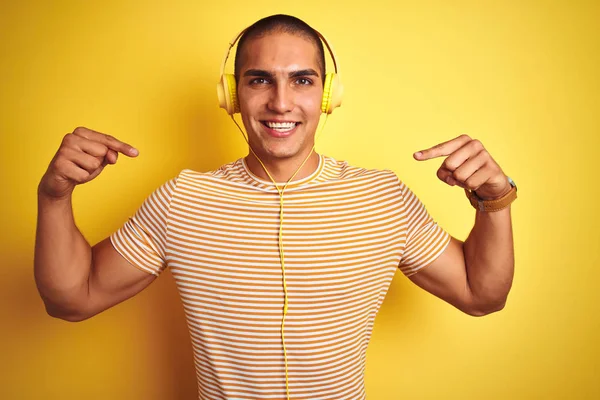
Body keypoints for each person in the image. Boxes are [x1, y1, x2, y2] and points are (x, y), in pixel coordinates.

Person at [34, 14, 516, 400]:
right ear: (232, 96)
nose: (280, 102)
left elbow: (481, 294)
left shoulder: (382, 198)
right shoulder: (183, 200)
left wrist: (495, 200)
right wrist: (54, 196)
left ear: (328, 96)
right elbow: (73, 299)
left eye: (302, 80)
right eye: (260, 80)